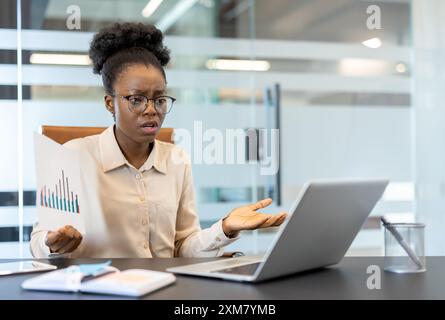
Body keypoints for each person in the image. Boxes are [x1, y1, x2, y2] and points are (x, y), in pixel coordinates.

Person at [30, 22, 287, 258]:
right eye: (137, 99)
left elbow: (183, 245)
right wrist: (52, 244)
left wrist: (225, 228)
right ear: (110, 103)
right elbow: (39, 241)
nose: (151, 109)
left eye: (159, 99)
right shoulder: (72, 156)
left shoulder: (176, 160)